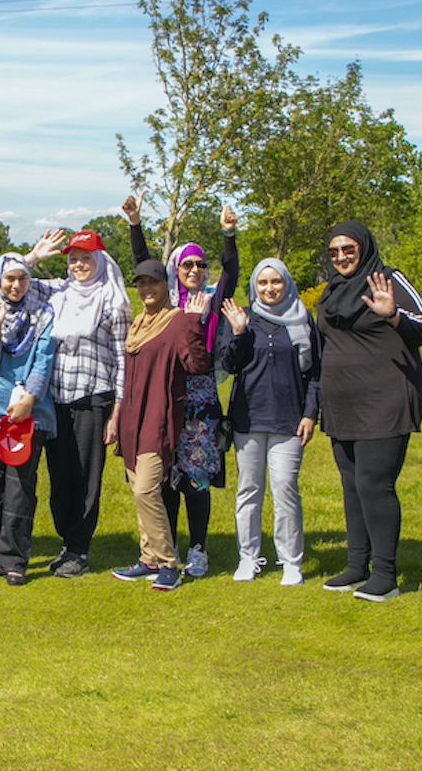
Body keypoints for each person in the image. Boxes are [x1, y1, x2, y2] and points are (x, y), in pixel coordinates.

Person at [316, 220, 422, 602]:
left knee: (373, 483)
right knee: (351, 484)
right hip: (341, 403)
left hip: (384, 400)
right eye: (334, 252)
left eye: (348, 249)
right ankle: (356, 565)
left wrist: (392, 314)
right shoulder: (331, 291)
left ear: (363, 246)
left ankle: (385, 574)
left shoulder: (388, 279)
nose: (341, 257)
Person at [122, 192, 238, 578]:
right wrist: (135, 225)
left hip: (200, 398)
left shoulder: (209, 299)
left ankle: (199, 548)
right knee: (165, 479)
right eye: (187, 263)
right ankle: (161, 546)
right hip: (167, 397)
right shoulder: (168, 303)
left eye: (201, 264)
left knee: (196, 479)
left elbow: (232, 276)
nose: (194, 269)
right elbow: (145, 268)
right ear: (176, 269)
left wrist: (229, 237)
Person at [22, 228, 130, 578]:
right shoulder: (58, 292)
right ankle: (66, 542)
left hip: (94, 399)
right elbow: (7, 282)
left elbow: (123, 359)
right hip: (57, 400)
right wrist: (32, 257)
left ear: (99, 260)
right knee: (60, 476)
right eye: (73, 258)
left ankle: (79, 549)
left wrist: (118, 411)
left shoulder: (113, 300)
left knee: (85, 477)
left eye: (86, 258)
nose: (79, 264)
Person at [217, 258, 321, 587]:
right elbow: (230, 365)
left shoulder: (303, 321)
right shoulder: (243, 318)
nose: (269, 288)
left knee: (285, 489)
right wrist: (237, 332)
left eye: (275, 282)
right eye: (262, 283)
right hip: (248, 419)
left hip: (289, 419)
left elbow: (315, 374)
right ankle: (248, 558)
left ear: (286, 283)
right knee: (249, 490)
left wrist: (310, 413)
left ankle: (291, 561)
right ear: (254, 286)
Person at [111, 259, 211, 591]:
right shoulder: (137, 323)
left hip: (158, 418)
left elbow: (197, 363)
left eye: (152, 283)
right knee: (138, 490)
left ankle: (168, 563)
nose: (146, 289)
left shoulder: (177, 321)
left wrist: (195, 322)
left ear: (165, 286)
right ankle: (148, 558)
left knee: (146, 489)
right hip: (132, 418)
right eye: (141, 283)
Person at [0, 253, 56, 586]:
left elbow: (43, 363)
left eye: (22, 278)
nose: (16, 285)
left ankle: (15, 559)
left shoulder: (44, 315)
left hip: (28, 414)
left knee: (20, 489)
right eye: (9, 279)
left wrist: (29, 401)